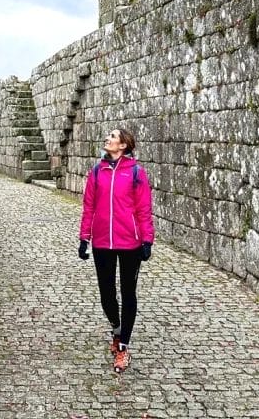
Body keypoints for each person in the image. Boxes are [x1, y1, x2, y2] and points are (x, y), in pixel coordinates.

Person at [78, 127, 154, 373]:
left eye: (113, 137)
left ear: (123, 145)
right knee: (107, 294)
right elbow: (88, 205)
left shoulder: (135, 173)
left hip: (130, 242)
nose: (107, 139)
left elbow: (144, 208)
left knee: (128, 292)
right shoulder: (97, 171)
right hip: (102, 242)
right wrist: (84, 238)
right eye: (108, 136)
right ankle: (116, 328)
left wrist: (147, 240)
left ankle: (123, 347)